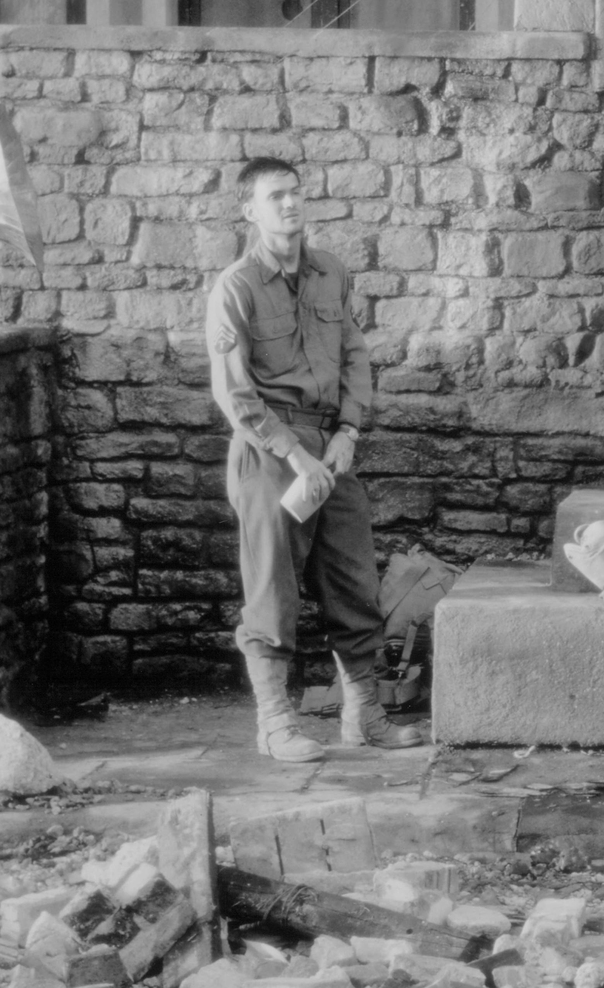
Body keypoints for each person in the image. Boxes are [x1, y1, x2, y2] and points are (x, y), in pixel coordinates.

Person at [205, 156, 426, 761]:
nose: (291, 205)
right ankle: (276, 722)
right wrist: (292, 454)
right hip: (270, 453)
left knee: (353, 583)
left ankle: (364, 716)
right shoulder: (237, 286)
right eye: (276, 196)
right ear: (250, 210)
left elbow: (355, 356)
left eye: (296, 193)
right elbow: (234, 391)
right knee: (273, 591)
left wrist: (349, 431)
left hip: (332, 450)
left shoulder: (332, 273)